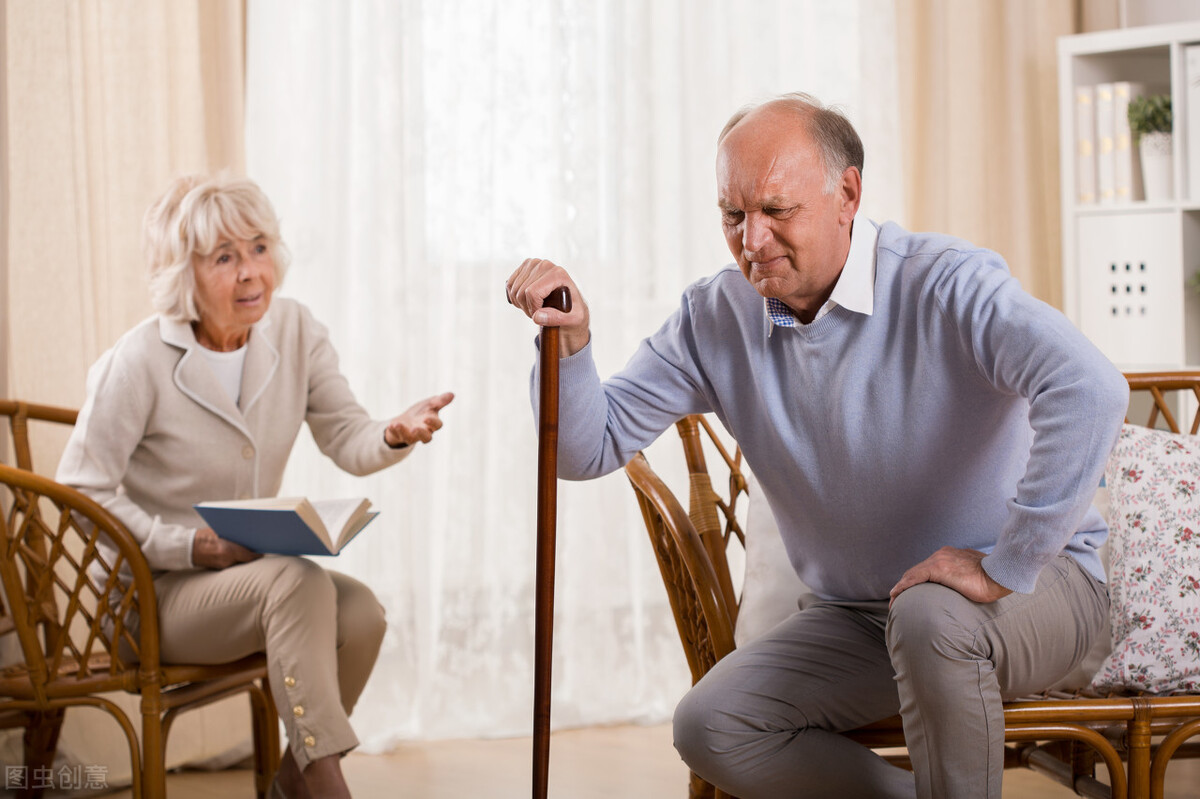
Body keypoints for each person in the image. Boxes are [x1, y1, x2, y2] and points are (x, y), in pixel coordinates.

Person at [505, 92, 1128, 798]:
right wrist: (570, 346)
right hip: (863, 616)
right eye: (733, 216)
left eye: (776, 210)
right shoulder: (716, 317)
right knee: (711, 724)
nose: (752, 240)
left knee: (932, 618)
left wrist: (1006, 561)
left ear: (847, 194)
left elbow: (1089, 387)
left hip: (1039, 593)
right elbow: (587, 448)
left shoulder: (944, 282)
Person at [57, 174, 454, 799]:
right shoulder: (136, 362)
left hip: (242, 581)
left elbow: (347, 436)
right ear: (182, 274)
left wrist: (395, 432)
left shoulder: (294, 331)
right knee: (296, 580)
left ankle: (294, 778)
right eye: (224, 257)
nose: (251, 273)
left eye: (259, 248)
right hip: (147, 598)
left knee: (362, 613)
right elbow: (80, 495)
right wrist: (190, 547)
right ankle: (326, 785)